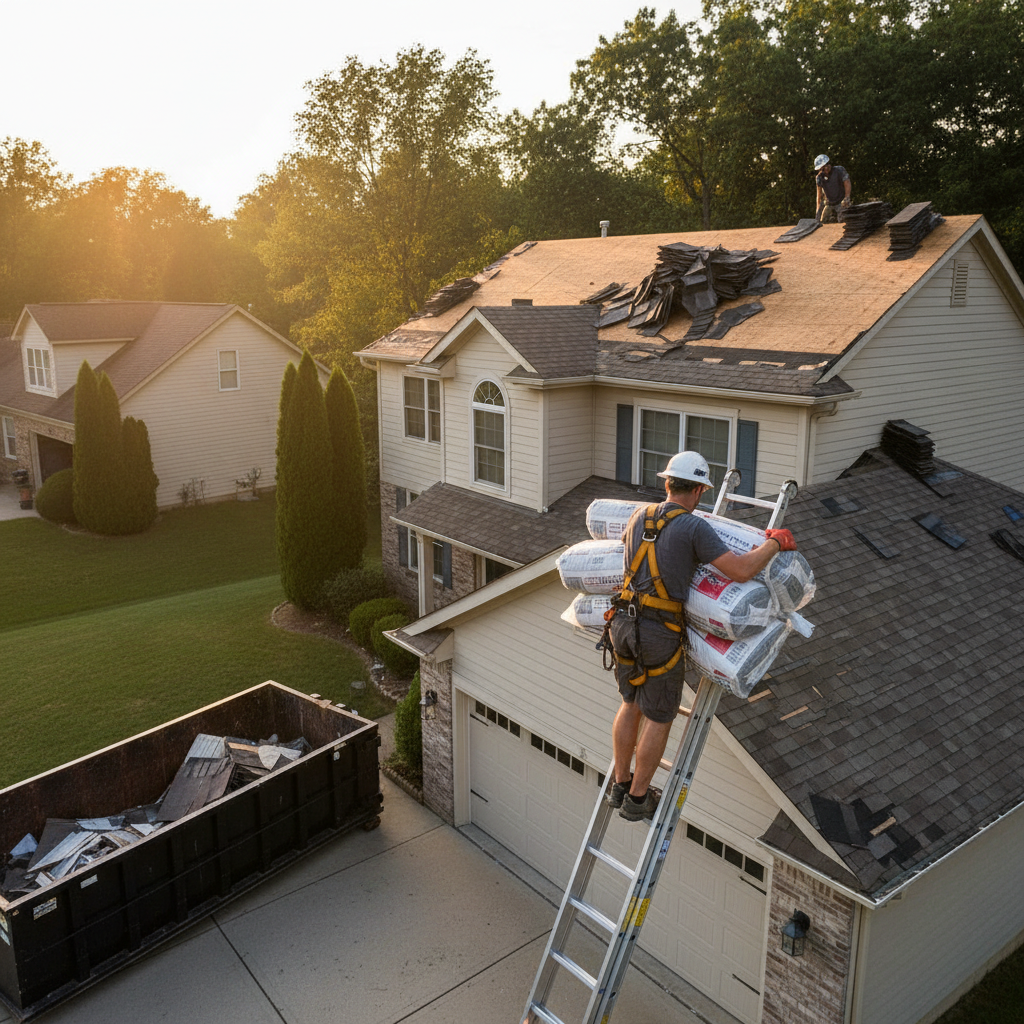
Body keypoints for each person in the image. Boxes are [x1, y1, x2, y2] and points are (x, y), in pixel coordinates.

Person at [605, 452, 797, 822]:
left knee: (630, 704)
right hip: (657, 633)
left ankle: (620, 784)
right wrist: (775, 543)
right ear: (697, 490)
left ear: (667, 484)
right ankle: (638, 799)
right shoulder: (693, 528)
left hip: (622, 625)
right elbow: (740, 571)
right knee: (659, 717)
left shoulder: (638, 516)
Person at [814, 154, 852, 223]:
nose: (824, 170)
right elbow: (819, 196)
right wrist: (818, 210)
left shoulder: (839, 170)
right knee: (821, 221)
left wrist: (847, 197)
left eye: (824, 167)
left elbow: (847, 182)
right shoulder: (819, 177)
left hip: (841, 202)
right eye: (821, 169)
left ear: (828, 164)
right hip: (829, 203)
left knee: (843, 221)